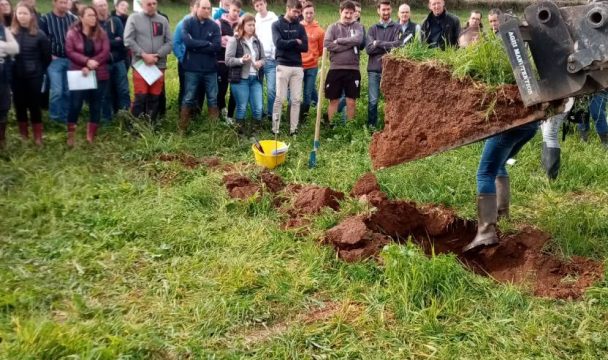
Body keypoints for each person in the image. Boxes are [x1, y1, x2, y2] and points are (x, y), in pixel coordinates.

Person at [65, 6, 110, 146]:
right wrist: (86, 62)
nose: (93, 18)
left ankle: (90, 135)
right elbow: (70, 51)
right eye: (90, 15)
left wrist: (93, 63)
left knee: (96, 105)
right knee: (75, 104)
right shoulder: (72, 33)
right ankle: (71, 135)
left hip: (98, 73)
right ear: (81, 17)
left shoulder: (101, 33)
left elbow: (105, 50)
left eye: (94, 16)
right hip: (79, 73)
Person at [124, 0, 172, 125]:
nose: (152, 6)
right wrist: (143, 54)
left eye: (154, 3)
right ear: (142, 4)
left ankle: (150, 125)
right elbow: (128, 40)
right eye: (148, 3)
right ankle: (134, 127)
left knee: (155, 97)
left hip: (158, 65)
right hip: (141, 65)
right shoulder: (134, 18)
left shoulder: (163, 20)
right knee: (140, 97)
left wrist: (157, 55)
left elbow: (170, 42)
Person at [10, 1, 50, 146]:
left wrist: (38, 69)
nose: (22, 16)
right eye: (19, 13)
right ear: (16, 15)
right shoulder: (10, 34)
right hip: (16, 76)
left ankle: (38, 137)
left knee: (34, 105)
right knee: (19, 105)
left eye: (25, 13)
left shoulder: (39, 34)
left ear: (31, 15)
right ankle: (24, 135)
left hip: (34, 76)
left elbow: (47, 57)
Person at [179, 0, 221, 133]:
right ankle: (183, 128)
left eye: (209, 8)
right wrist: (206, 44)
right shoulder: (188, 23)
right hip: (192, 68)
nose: (207, 11)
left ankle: (213, 130)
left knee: (213, 98)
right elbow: (188, 42)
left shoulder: (214, 26)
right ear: (197, 8)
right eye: (204, 8)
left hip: (210, 69)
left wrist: (197, 45)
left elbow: (216, 46)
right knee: (189, 97)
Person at [271, 0, 307, 136]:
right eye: (295, 11)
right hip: (282, 64)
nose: (297, 14)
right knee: (280, 98)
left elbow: (305, 47)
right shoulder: (276, 25)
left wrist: (289, 43)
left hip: (297, 66)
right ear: (288, 8)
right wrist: (295, 41)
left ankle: (294, 129)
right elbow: (278, 43)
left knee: (296, 99)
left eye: (299, 12)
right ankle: (275, 128)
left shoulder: (301, 27)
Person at [324, 0, 364, 123]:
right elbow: (327, 44)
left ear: (354, 14)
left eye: (351, 13)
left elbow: (358, 40)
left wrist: (339, 40)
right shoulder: (333, 27)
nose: (348, 16)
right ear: (340, 12)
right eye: (346, 12)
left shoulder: (358, 26)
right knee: (334, 100)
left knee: (351, 101)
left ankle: (349, 129)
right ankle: (331, 126)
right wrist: (349, 44)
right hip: (335, 69)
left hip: (353, 69)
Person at [225, 13, 265, 135]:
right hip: (241, 79)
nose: (252, 27)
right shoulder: (234, 41)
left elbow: (264, 58)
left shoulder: (257, 41)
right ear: (242, 25)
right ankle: (240, 134)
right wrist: (241, 60)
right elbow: (228, 60)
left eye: (253, 25)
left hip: (255, 79)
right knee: (241, 107)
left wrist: (260, 63)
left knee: (258, 108)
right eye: (249, 25)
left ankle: (255, 134)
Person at [40, 0, 77, 124]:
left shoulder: (73, 19)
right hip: (54, 60)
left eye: (66, 2)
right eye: (61, 2)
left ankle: (65, 116)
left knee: (68, 90)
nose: (64, 5)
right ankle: (55, 118)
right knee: (57, 90)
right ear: (54, 3)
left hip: (70, 59)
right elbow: (41, 40)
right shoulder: (45, 19)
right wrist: (48, 55)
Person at [93, 0, 129, 123]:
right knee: (105, 92)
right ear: (94, 7)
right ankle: (106, 120)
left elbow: (123, 41)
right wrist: (114, 41)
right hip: (102, 64)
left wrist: (105, 43)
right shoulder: (92, 23)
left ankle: (125, 117)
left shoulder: (116, 21)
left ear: (107, 6)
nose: (102, 8)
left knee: (123, 90)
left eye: (104, 5)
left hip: (119, 61)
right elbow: (93, 45)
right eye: (99, 6)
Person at [366, 0, 399, 128]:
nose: (386, 12)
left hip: (390, 70)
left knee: (390, 101)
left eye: (388, 9)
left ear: (391, 10)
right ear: (378, 11)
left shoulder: (397, 27)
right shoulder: (372, 28)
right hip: (374, 70)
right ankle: (371, 127)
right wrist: (388, 46)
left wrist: (378, 43)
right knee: (373, 101)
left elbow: (398, 45)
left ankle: (389, 127)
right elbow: (369, 49)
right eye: (383, 10)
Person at [174, 0, 203, 113]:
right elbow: (176, 43)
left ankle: (195, 113)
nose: (199, 9)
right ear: (192, 7)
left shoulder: (204, 23)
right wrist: (182, 59)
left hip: (200, 63)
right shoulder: (182, 24)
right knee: (185, 88)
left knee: (198, 88)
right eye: (197, 6)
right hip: (186, 63)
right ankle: (182, 113)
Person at [253, 0, 277, 122]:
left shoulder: (274, 19)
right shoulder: (254, 21)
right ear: (255, 7)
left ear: (265, 4)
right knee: (259, 88)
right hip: (258, 61)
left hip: (272, 60)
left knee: (272, 89)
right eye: (257, 5)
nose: (259, 7)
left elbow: (276, 38)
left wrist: (273, 55)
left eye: (261, 4)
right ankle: (260, 112)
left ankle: (271, 114)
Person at [300, 1, 323, 122]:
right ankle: (294, 115)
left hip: (312, 67)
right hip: (298, 66)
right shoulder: (298, 27)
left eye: (311, 13)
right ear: (302, 13)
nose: (309, 15)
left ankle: (304, 118)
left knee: (307, 93)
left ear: (314, 13)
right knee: (295, 93)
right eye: (306, 13)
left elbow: (321, 49)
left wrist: (313, 57)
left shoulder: (319, 30)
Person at [540, 98, 574, 180]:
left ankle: (551, 176)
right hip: (549, 100)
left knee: (550, 135)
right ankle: (546, 170)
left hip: (560, 99)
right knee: (545, 133)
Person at [0, 11, 19, 149]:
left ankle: (1, 140)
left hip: (3, 77)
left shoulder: (2, 28)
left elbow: (15, 48)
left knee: (3, 107)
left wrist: (2, 46)